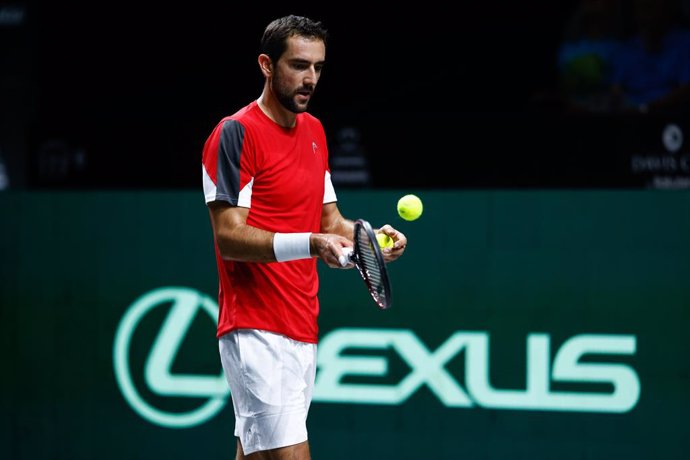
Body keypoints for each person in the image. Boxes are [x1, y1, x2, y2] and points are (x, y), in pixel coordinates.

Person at [200, 15, 407, 460]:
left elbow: (330, 220)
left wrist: (370, 240)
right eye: (298, 65)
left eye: (318, 67)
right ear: (266, 65)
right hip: (255, 328)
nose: (310, 78)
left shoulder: (314, 131)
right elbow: (229, 237)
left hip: (301, 325)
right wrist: (311, 243)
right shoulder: (235, 133)